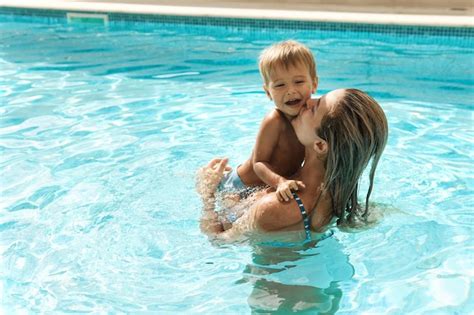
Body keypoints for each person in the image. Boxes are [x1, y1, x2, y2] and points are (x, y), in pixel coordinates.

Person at [196, 88, 388, 243]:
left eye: (314, 108)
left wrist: (207, 194)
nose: (308, 101)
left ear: (320, 145)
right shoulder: (338, 195)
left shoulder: (275, 208)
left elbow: (219, 240)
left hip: (272, 289)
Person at [220, 40, 318, 202]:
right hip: (240, 186)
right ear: (268, 92)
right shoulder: (275, 120)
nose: (291, 91)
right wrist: (279, 182)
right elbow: (259, 163)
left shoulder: (314, 117)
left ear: (314, 84)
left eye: (299, 82)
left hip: (268, 187)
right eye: (280, 85)